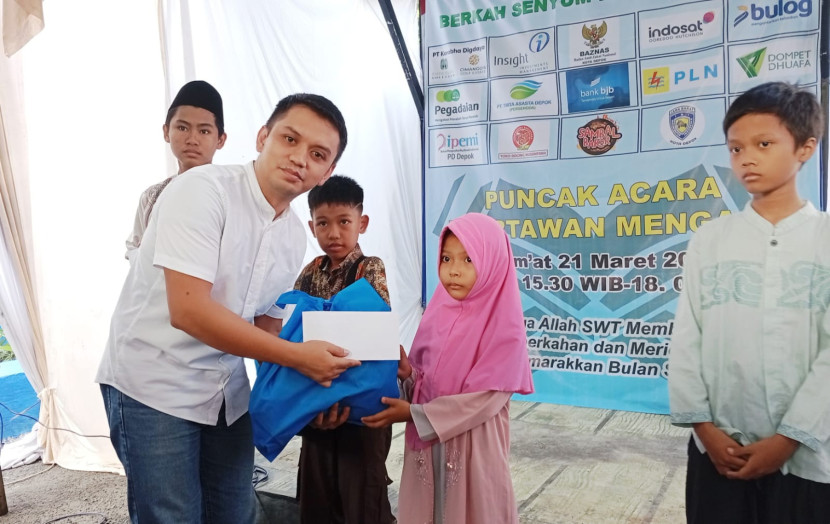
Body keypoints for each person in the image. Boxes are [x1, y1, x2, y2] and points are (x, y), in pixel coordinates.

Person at [97, 93, 360, 524]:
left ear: (327, 171)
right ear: (262, 137)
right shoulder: (202, 191)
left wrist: (309, 397)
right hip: (153, 385)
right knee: (173, 517)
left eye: (317, 154)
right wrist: (299, 358)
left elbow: (266, 329)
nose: (299, 158)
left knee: (235, 513)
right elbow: (189, 310)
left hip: (225, 394)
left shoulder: (294, 235)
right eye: (289, 139)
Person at [668, 82, 830, 523]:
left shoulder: (823, 238)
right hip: (719, 450)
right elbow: (687, 338)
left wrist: (788, 439)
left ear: (805, 148)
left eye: (764, 144)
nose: (747, 159)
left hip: (807, 459)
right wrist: (704, 429)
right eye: (736, 149)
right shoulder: (711, 239)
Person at [362, 212, 534, 524]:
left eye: (468, 259)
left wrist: (415, 414)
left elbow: (485, 399)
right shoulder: (437, 315)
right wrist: (408, 375)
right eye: (446, 258)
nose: (454, 270)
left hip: (474, 452)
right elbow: (427, 380)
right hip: (429, 450)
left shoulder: (504, 329)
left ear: (492, 263)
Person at [290, 174, 396, 524]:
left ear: (361, 223)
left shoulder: (370, 267)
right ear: (312, 227)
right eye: (323, 223)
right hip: (318, 402)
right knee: (317, 494)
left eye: (344, 222)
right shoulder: (309, 272)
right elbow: (294, 331)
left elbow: (374, 333)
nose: (333, 233)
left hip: (361, 404)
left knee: (363, 497)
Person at [124, 80, 227, 259]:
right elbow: (135, 250)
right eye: (182, 128)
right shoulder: (151, 197)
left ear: (220, 140)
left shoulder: (231, 196)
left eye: (204, 131)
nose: (192, 139)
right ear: (166, 132)